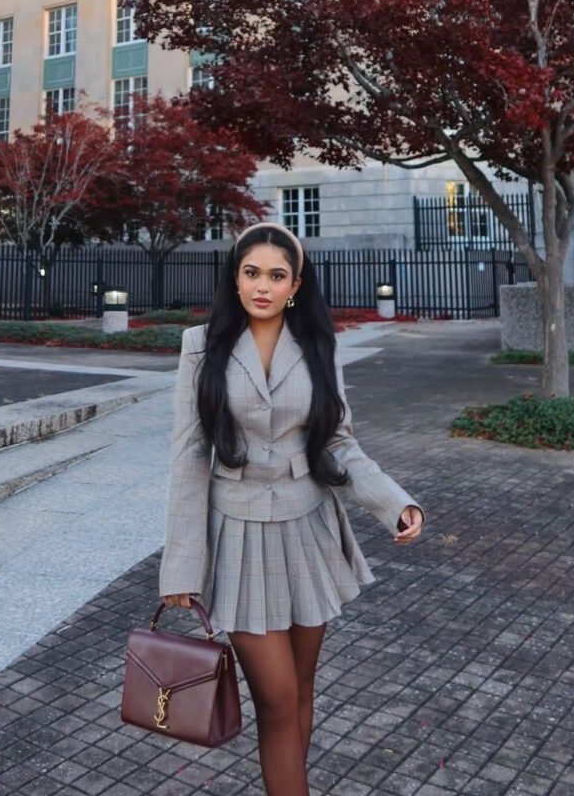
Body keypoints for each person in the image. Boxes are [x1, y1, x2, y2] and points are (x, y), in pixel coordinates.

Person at [160, 222, 424, 796]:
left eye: (276, 276)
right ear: (235, 278)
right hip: (239, 534)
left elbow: (337, 442)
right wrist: (181, 564)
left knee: (302, 689)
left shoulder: (317, 348)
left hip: (310, 529)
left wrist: (394, 503)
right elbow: (188, 456)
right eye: (251, 272)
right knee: (277, 700)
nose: (262, 286)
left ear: (295, 285)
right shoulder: (200, 347)